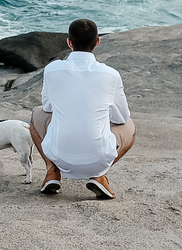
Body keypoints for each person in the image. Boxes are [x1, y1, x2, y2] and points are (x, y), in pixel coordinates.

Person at [30, 18, 135, 199]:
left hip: (59, 154)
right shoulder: (111, 74)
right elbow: (121, 118)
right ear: (97, 42)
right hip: (98, 157)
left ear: (69, 42)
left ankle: (52, 171)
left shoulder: (52, 69)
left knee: (35, 115)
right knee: (130, 127)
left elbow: (47, 107)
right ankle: (98, 175)